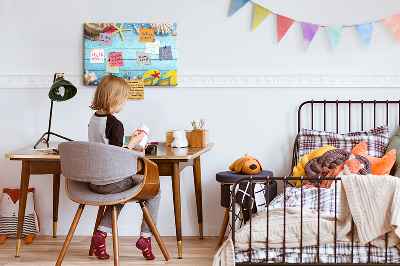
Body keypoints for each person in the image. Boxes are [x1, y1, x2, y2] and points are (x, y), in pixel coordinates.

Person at [88, 75, 161, 260]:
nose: (124, 103)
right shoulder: (115, 124)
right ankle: (146, 237)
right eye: (124, 99)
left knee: (119, 194)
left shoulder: (93, 120)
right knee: (154, 189)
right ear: (115, 99)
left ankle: (101, 235)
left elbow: (106, 149)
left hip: (94, 182)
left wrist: (131, 145)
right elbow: (117, 156)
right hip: (111, 182)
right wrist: (134, 143)